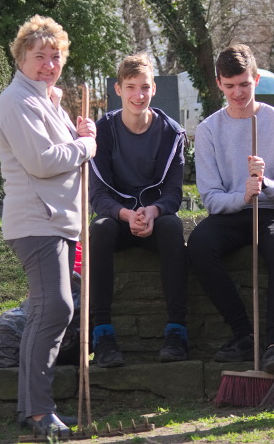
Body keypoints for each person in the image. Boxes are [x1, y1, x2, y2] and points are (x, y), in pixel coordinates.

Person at [0, 15, 97, 437]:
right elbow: (42, 161)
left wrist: (78, 132)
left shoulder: (44, 100)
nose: (49, 65)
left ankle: (32, 409)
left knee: (46, 309)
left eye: (55, 57)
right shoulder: (17, 101)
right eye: (40, 56)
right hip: (36, 220)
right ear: (21, 58)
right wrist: (85, 145)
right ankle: (39, 412)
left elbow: (63, 148)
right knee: (55, 307)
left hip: (57, 220)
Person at [187, 44, 274, 375]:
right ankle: (243, 334)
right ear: (219, 84)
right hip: (230, 212)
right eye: (229, 86)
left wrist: (265, 184)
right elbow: (211, 198)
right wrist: (242, 195)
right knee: (199, 245)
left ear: (256, 80)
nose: (237, 93)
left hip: (271, 211)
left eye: (244, 84)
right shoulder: (208, 130)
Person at [88, 52, 189, 366]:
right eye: (130, 87)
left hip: (154, 218)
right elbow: (97, 195)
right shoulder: (102, 131)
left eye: (144, 87)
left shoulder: (172, 133)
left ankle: (177, 331)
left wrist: (154, 211)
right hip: (118, 218)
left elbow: (173, 193)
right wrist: (125, 214)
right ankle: (102, 334)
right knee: (99, 229)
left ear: (153, 89)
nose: (138, 95)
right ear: (118, 89)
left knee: (173, 228)